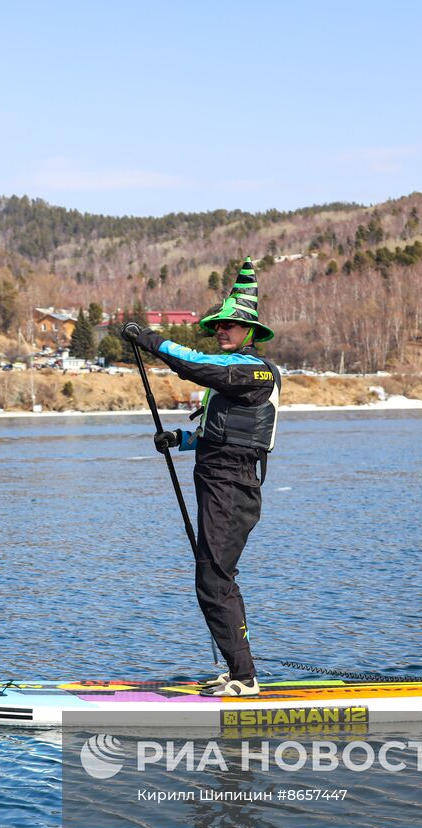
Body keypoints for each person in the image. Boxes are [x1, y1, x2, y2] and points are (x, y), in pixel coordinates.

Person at [122, 257, 280, 697]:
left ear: (250, 331)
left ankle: (244, 679)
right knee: (212, 575)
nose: (221, 330)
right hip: (217, 479)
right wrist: (179, 438)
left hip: (233, 484)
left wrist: (150, 340)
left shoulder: (256, 370)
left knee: (214, 577)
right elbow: (220, 432)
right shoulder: (231, 378)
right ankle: (237, 671)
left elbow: (194, 364)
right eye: (218, 325)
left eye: (230, 325)